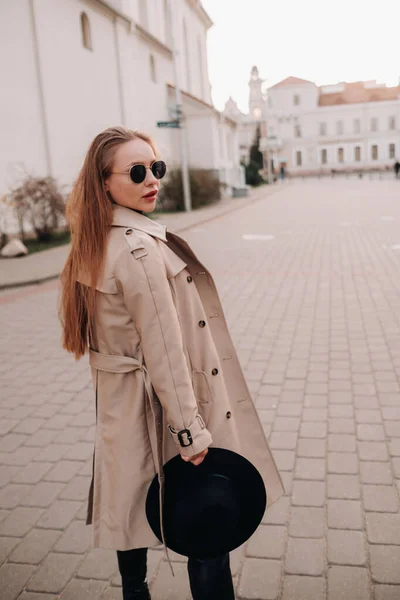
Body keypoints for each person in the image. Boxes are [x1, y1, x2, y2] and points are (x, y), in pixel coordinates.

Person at [59, 126, 283, 600]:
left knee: (131, 512)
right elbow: (164, 349)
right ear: (103, 183)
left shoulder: (95, 239)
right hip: (167, 408)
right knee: (207, 518)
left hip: (122, 410)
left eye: (157, 168)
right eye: (137, 172)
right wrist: (191, 432)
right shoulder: (138, 249)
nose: (152, 180)